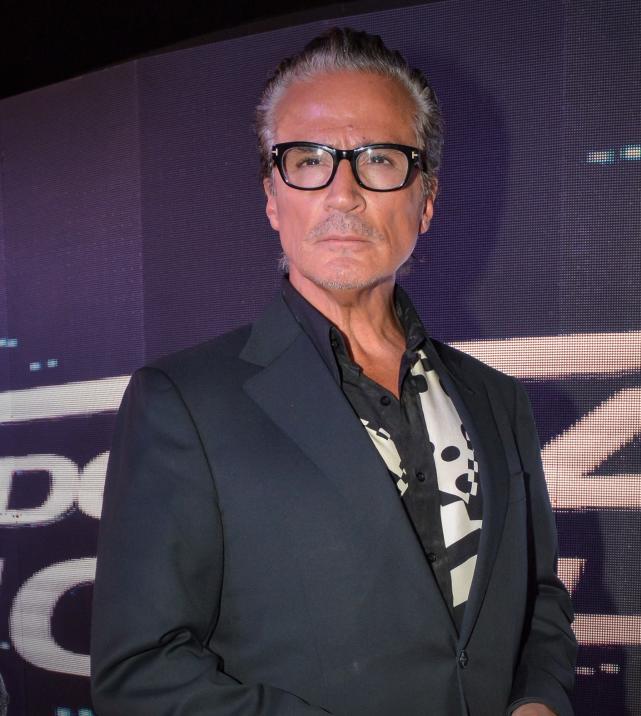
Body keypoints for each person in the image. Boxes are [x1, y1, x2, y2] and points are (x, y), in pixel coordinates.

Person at [91, 27, 577, 716]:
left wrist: (540, 702)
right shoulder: (184, 402)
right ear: (272, 198)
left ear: (426, 201)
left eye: (379, 159)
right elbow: (141, 673)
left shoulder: (499, 401)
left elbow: (539, 601)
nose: (343, 191)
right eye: (308, 159)